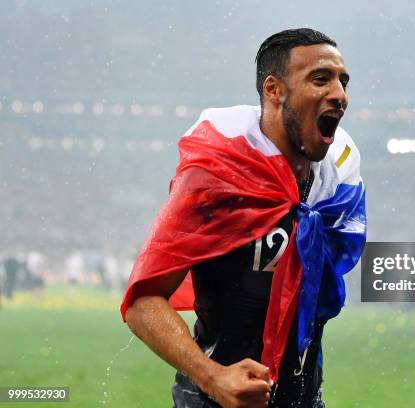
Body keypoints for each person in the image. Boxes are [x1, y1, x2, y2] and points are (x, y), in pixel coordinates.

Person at [121, 28, 366, 408]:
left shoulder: (337, 187)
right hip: (212, 400)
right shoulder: (218, 175)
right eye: (321, 79)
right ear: (274, 90)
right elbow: (143, 300)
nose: (340, 95)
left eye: (342, 81)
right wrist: (213, 377)